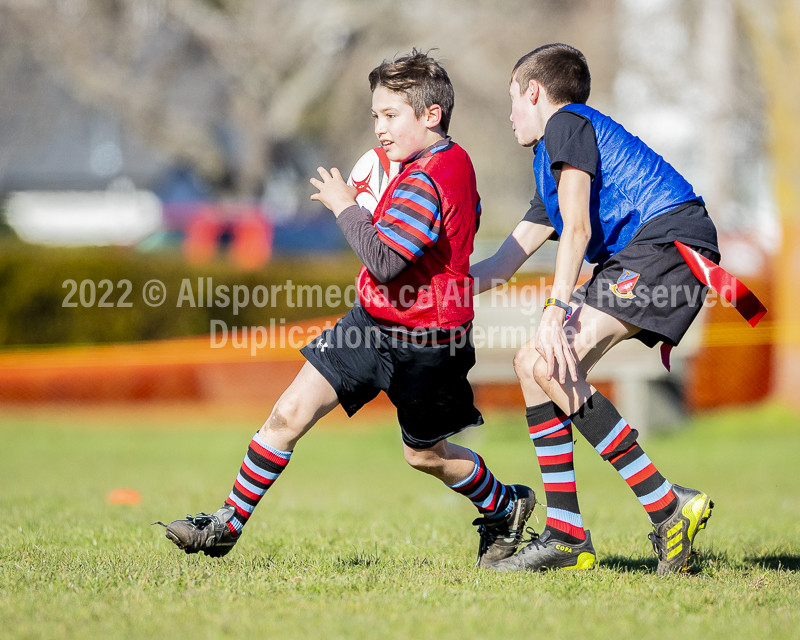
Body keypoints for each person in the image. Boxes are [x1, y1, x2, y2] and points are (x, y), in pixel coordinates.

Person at [159, 50, 535, 568]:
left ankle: (505, 505)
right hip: (371, 325)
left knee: (424, 455)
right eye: (375, 115)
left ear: (432, 116)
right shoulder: (416, 166)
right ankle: (227, 524)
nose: (379, 128)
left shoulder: (434, 175)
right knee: (288, 413)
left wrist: (346, 206)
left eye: (390, 116)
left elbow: (384, 261)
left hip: (429, 341)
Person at [471, 43, 723, 574]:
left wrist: (554, 310)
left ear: (533, 91)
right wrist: (429, 289)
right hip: (650, 253)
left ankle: (661, 507)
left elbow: (579, 230)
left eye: (512, 98)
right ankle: (570, 532)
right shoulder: (553, 162)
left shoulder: (565, 124)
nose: (510, 113)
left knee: (547, 358)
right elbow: (501, 262)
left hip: (667, 245)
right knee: (532, 367)